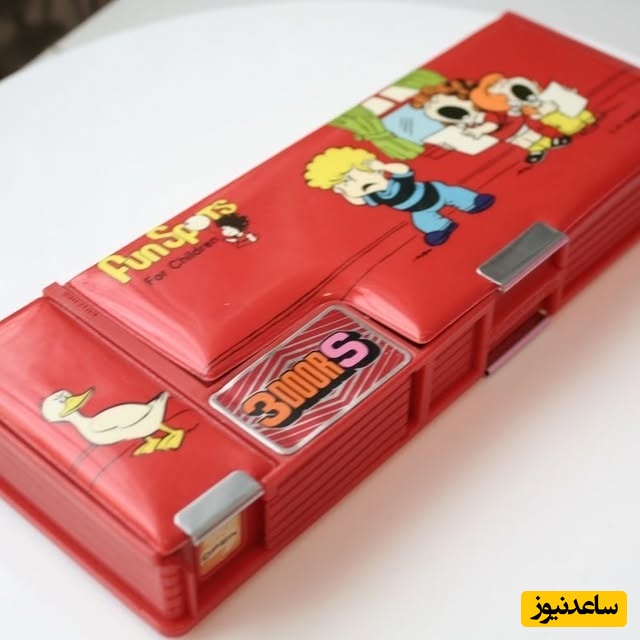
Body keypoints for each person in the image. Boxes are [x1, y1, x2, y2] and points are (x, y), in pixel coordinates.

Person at [304, 146, 494, 246]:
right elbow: (358, 200)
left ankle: (474, 202)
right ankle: (441, 229)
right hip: (418, 209)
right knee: (423, 222)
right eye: (345, 182)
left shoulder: (396, 179)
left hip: (434, 192)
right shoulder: (375, 196)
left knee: (454, 193)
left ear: (372, 167)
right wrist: (342, 191)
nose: (354, 183)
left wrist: (383, 166)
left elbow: (402, 169)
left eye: (351, 177)